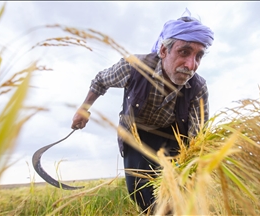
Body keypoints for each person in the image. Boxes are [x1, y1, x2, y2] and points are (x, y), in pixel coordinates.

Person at [71, 10, 214, 214]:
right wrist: (83, 110)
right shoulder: (135, 67)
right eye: (184, 52)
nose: (191, 65)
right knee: (139, 190)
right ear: (164, 51)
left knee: (176, 192)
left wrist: (194, 168)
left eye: (198, 56)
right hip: (137, 134)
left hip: (172, 136)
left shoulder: (198, 88)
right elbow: (101, 80)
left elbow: (197, 136)